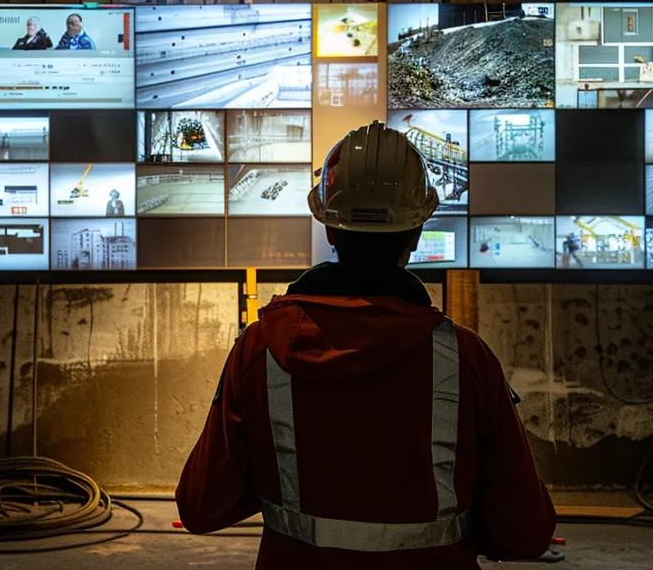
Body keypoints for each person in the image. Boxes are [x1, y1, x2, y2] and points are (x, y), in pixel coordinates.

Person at [177, 121, 555, 569]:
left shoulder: (260, 349)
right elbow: (527, 532)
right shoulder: (465, 359)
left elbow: (200, 506)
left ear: (331, 231)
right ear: (415, 234)